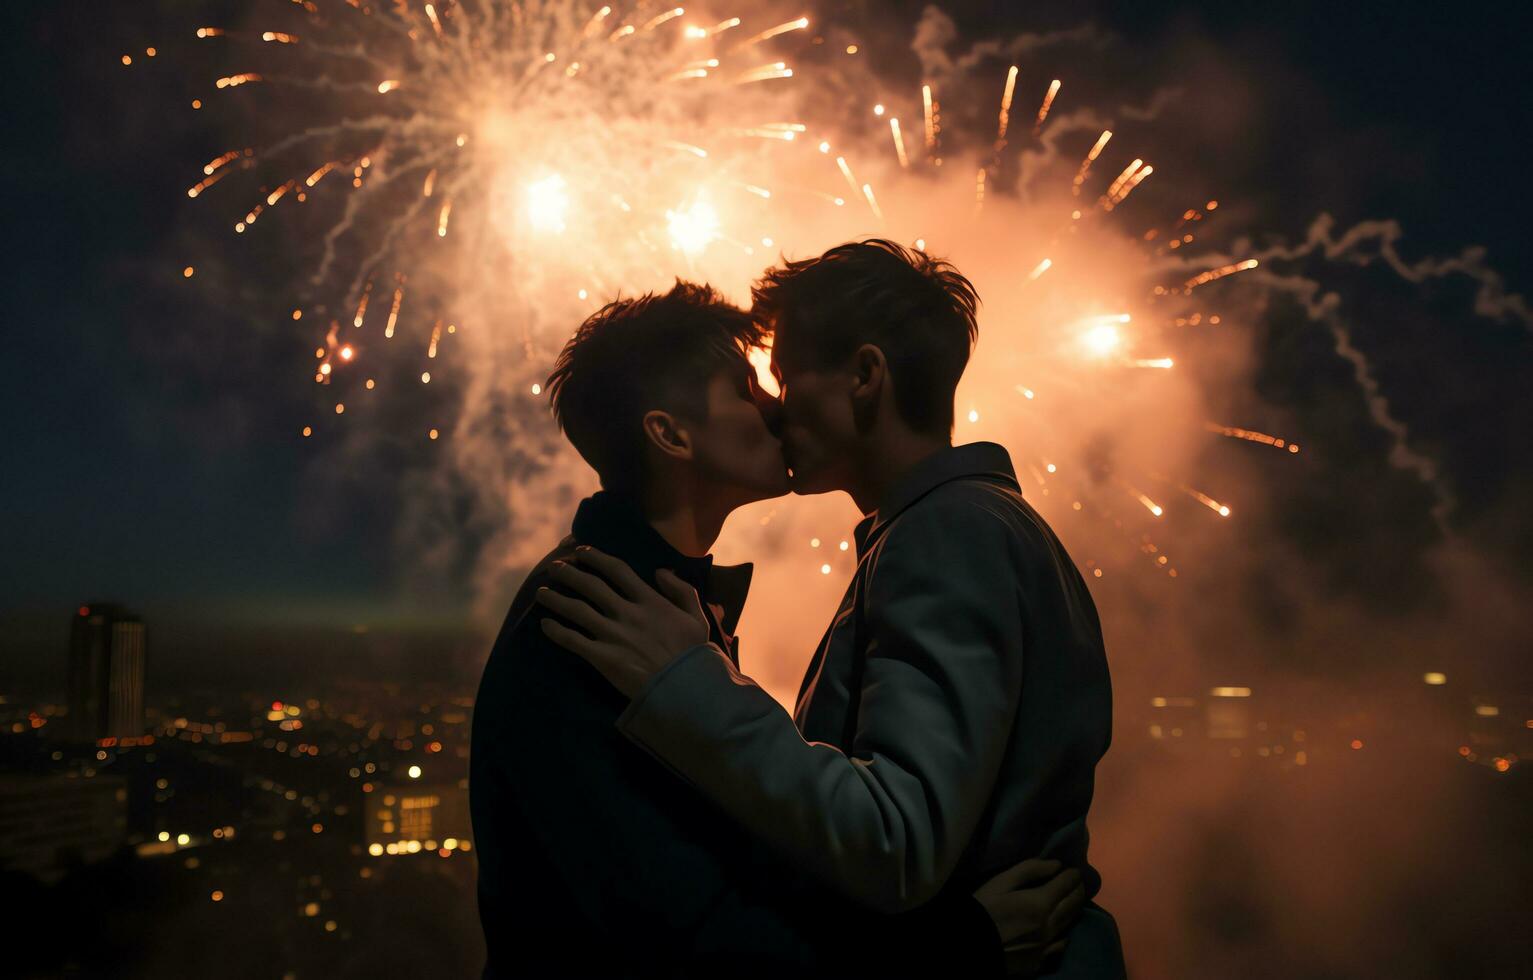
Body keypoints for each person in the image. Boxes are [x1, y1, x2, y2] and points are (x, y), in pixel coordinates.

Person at [537, 241, 1128, 977]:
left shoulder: (948, 532)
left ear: (864, 376)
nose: (775, 410)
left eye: (785, 378)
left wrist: (690, 683)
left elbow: (895, 841)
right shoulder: (967, 526)